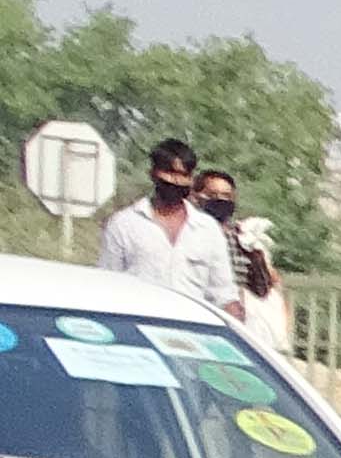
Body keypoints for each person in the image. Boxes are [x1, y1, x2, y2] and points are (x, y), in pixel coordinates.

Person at [96, 139, 235, 303]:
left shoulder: (207, 229)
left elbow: (224, 294)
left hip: (192, 324)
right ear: (153, 173)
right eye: (170, 173)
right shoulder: (124, 224)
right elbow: (108, 285)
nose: (176, 181)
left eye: (183, 175)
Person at [193, 169, 293, 347]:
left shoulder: (243, 238)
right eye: (213, 194)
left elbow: (271, 284)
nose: (220, 200)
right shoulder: (191, 235)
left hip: (240, 325)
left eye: (226, 195)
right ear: (196, 196)